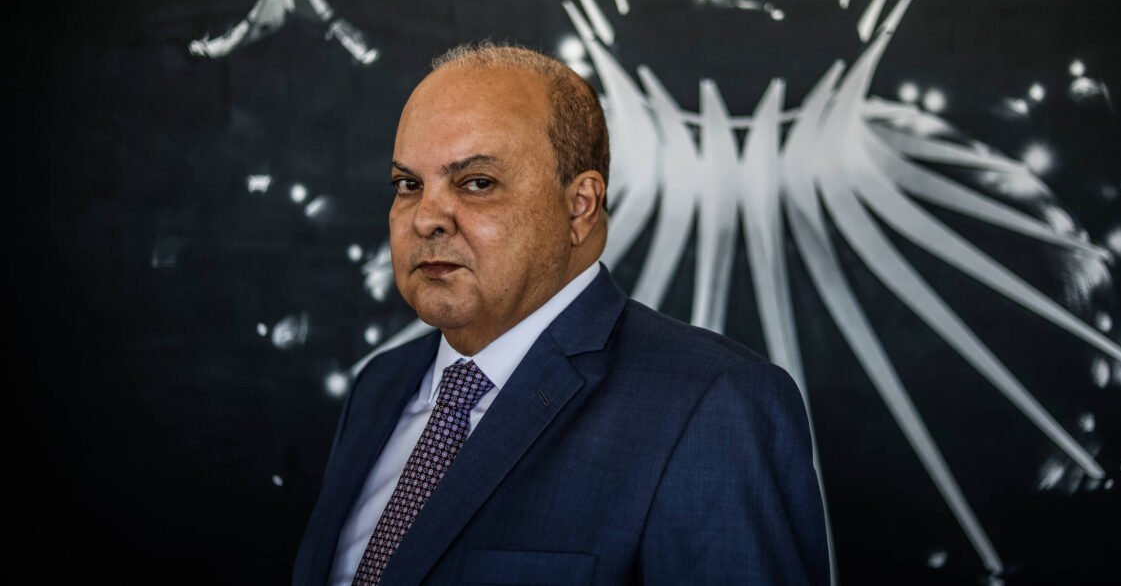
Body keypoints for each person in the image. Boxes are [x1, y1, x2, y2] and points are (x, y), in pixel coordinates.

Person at [293, 43, 829, 585]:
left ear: (580, 206)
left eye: (477, 182)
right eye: (408, 185)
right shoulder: (380, 386)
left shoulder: (712, 405)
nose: (425, 218)